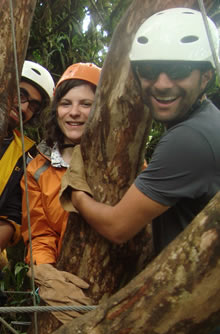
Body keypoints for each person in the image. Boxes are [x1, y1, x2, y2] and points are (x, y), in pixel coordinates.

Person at [60, 8, 220, 257]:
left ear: (205, 77)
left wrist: (75, 192)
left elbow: (117, 227)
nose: (162, 83)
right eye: (149, 70)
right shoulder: (206, 122)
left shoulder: (189, 139)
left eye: (180, 70)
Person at [21, 62, 101, 265]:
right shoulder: (37, 168)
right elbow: (39, 234)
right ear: (56, 111)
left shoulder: (120, 159)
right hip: (65, 273)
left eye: (86, 104)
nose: (74, 112)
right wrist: (46, 273)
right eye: (66, 103)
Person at [0, 60, 54, 255]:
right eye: (21, 94)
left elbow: (12, 216)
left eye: (33, 105)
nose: (24, 108)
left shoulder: (27, 152)